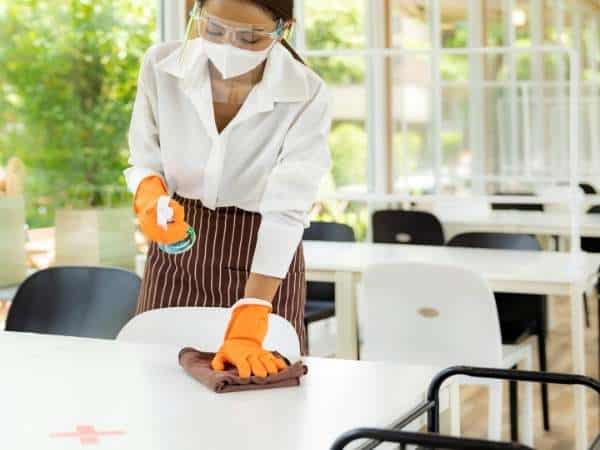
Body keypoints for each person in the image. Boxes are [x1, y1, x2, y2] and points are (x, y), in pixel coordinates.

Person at [125, 0, 331, 378]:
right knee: (160, 383)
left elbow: (288, 208)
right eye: (214, 30)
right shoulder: (161, 67)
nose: (228, 47)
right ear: (196, 14)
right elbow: (145, 159)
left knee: (261, 394)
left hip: (263, 249)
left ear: (284, 29)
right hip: (179, 248)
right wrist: (149, 194)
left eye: (250, 38)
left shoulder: (307, 92)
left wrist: (253, 311)